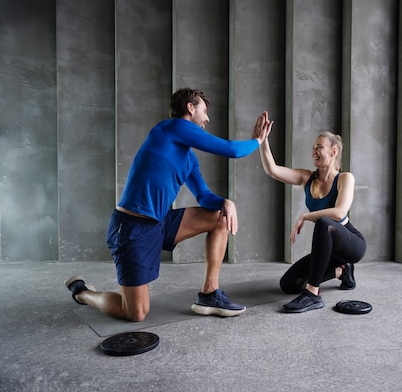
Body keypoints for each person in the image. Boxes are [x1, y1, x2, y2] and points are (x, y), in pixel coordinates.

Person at [64, 88, 273, 321]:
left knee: (220, 216)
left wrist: (225, 202)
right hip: (131, 228)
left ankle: (209, 294)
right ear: (190, 108)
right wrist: (258, 140)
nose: (207, 118)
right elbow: (232, 150)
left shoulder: (189, 160)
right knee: (135, 313)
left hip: (159, 222)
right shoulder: (171, 128)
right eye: (204, 111)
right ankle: (83, 292)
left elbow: (203, 196)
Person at [259, 127, 367, 313]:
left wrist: (305, 216)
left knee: (325, 222)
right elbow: (273, 171)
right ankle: (341, 271)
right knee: (288, 284)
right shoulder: (307, 178)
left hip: (350, 243)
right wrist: (262, 141)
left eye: (319, 147)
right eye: (313, 148)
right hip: (328, 250)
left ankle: (313, 294)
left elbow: (340, 213)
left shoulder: (345, 178)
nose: (313, 152)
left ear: (334, 151)